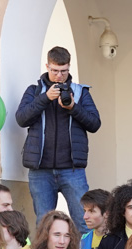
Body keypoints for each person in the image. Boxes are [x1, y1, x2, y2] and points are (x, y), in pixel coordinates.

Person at [15, 46, 100, 235]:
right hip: (40, 171)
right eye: (54, 71)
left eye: (64, 71)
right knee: (44, 226)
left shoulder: (79, 92)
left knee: (83, 222)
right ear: (47, 66)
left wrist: (73, 107)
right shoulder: (34, 91)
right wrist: (45, 98)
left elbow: (95, 124)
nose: (59, 76)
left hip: (72, 170)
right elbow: (21, 119)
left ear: (69, 68)